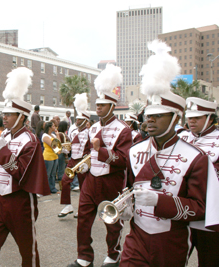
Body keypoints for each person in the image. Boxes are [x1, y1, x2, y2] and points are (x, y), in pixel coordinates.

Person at [120, 40, 218, 267]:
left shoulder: (196, 157)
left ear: (175, 118)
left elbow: (200, 208)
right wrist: (127, 207)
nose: (150, 119)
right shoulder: (135, 150)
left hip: (170, 240)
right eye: (148, 114)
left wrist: (160, 201)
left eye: (158, 114)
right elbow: (129, 188)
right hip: (136, 236)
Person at [0, 67, 50, 267]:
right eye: (4, 114)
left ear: (21, 117)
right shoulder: (5, 136)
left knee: (28, 250)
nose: (5, 118)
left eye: (9, 115)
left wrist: (2, 153)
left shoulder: (31, 141)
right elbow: (0, 163)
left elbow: (21, 173)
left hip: (20, 201)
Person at [68, 64, 132, 267]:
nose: (98, 108)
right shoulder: (93, 126)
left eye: (103, 105)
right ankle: (84, 256)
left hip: (111, 181)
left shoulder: (123, 129)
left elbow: (123, 160)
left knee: (112, 222)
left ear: (112, 106)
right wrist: (85, 165)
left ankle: (113, 255)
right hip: (91, 179)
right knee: (83, 220)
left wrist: (102, 150)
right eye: (97, 104)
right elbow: (88, 151)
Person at [177, 97, 219, 266]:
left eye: (197, 117)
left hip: (208, 211)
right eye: (190, 117)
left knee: (209, 259)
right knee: (176, 257)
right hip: (180, 209)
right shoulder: (181, 137)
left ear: (210, 118)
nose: (192, 121)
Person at [59, 93, 90, 218]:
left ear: (85, 121)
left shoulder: (90, 132)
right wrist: (66, 149)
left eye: (79, 120)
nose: (77, 121)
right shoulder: (73, 130)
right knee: (64, 181)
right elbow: (72, 144)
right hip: (73, 160)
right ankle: (67, 205)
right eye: (77, 119)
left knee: (84, 186)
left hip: (83, 161)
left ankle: (82, 209)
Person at [42, 121, 60, 194]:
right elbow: (53, 145)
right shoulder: (45, 136)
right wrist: (58, 146)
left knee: (53, 174)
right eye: (53, 126)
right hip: (48, 157)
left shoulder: (53, 135)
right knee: (47, 174)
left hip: (55, 156)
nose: (54, 127)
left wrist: (57, 134)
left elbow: (59, 142)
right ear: (49, 128)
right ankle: (44, 189)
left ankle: (52, 188)